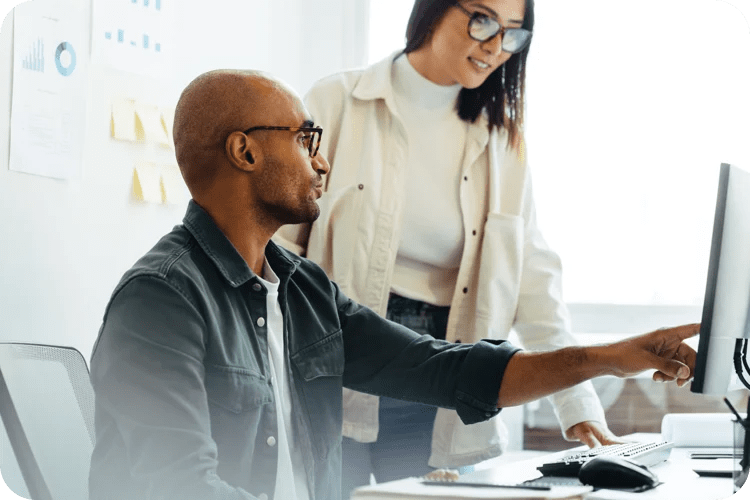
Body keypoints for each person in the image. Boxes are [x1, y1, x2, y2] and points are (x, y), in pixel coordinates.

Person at [89, 68, 699, 500]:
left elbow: (448, 370)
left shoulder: (303, 292)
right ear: (244, 152)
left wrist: (613, 358)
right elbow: (178, 487)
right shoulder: (161, 299)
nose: (322, 161)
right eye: (306, 139)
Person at [272, 0, 619, 494]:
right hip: (338, 351)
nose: (496, 46)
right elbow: (277, 247)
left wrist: (578, 407)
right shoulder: (337, 101)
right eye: (482, 20)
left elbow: (534, 281)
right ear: (433, 10)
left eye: (514, 34)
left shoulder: (502, 140)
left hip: (440, 369)